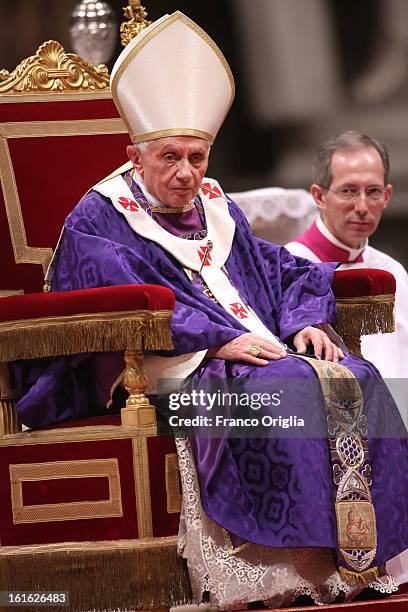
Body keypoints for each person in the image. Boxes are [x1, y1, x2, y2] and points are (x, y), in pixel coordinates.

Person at [16, 13, 408, 609]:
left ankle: (355, 560)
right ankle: (290, 571)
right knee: (282, 389)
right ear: (135, 154)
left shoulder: (215, 204)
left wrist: (305, 318)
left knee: (356, 376)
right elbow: (104, 296)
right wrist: (212, 340)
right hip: (152, 368)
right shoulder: (97, 218)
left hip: (249, 351)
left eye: (197, 157)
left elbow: (278, 268)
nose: (186, 174)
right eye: (169, 157)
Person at [285, 131, 408, 408]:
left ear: (387, 196)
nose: (362, 206)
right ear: (319, 196)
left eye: (373, 191)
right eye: (348, 191)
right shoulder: (290, 268)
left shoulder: (392, 271)